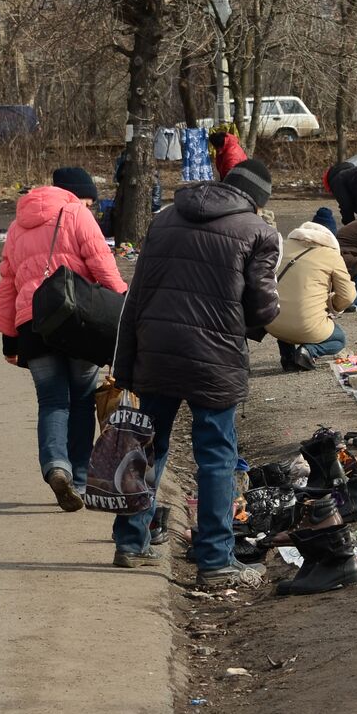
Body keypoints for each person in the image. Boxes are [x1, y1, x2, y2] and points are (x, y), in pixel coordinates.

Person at [111, 159, 281, 588]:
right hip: (214, 358)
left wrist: (124, 363)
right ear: (257, 200)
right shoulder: (257, 232)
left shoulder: (165, 218)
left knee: (147, 447)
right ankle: (215, 560)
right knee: (217, 457)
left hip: (156, 352)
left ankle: (131, 543)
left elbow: (137, 294)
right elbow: (263, 307)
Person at [0, 167, 127, 512]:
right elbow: (104, 267)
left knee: (52, 401)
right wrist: (124, 310)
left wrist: (9, 338)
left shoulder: (15, 226)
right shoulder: (76, 214)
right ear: (77, 195)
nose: (91, 206)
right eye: (89, 199)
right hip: (78, 322)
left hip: (33, 327)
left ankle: (56, 467)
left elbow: (6, 285)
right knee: (82, 399)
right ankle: (79, 480)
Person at [266, 221, 355, 371]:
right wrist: (332, 306)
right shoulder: (331, 255)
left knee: (286, 307)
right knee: (339, 339)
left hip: (272, 322)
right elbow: (348, 296)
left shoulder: (281, 246)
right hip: (306, 326)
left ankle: (287, 357)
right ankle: (307, 351)